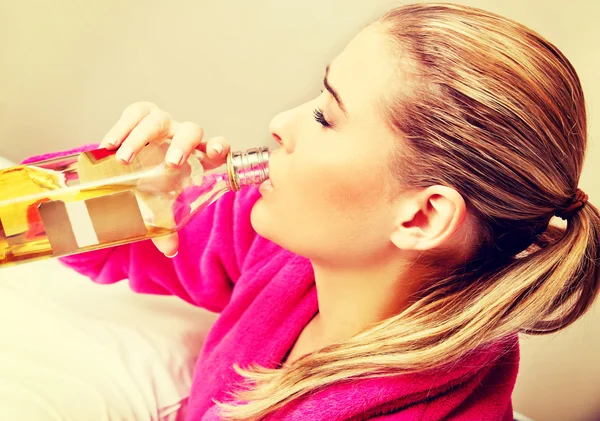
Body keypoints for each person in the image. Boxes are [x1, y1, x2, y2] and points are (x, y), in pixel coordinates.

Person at [36, 3, 599, 420]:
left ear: (421, 217)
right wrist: (130, 183)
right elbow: (45, 222)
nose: (282, 122)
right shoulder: (285, 256)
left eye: (327, 116)